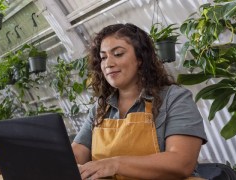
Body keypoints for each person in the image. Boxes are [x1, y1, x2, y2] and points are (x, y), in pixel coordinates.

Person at [72, 23, 207, 180]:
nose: (108, 63)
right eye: (103, 57)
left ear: (140, 58)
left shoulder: (174, 99)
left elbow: (182, 163)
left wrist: (114, 164)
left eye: (118, 54)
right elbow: (76, 155)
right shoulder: (100, 109)